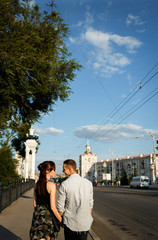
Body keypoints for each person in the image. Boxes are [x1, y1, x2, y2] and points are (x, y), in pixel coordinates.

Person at [57, 159, 93, 240]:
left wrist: (60, 221)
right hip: (84, 224)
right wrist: (85, 216)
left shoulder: (64, 184)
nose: (63, 171)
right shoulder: (88, 183)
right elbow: (90, 204)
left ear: (70, 169)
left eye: (64, 169)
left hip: (69, 223)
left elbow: (60, 207)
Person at [30, 161, 62, 240]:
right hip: (47, 217)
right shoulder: (51, 185)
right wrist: (61, 220)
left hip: (37, 215)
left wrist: (39, 213)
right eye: (53, 169)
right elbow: (53, 208)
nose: (55, 171)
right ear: (47, 171)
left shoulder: (37, 184)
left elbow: (34, 204)